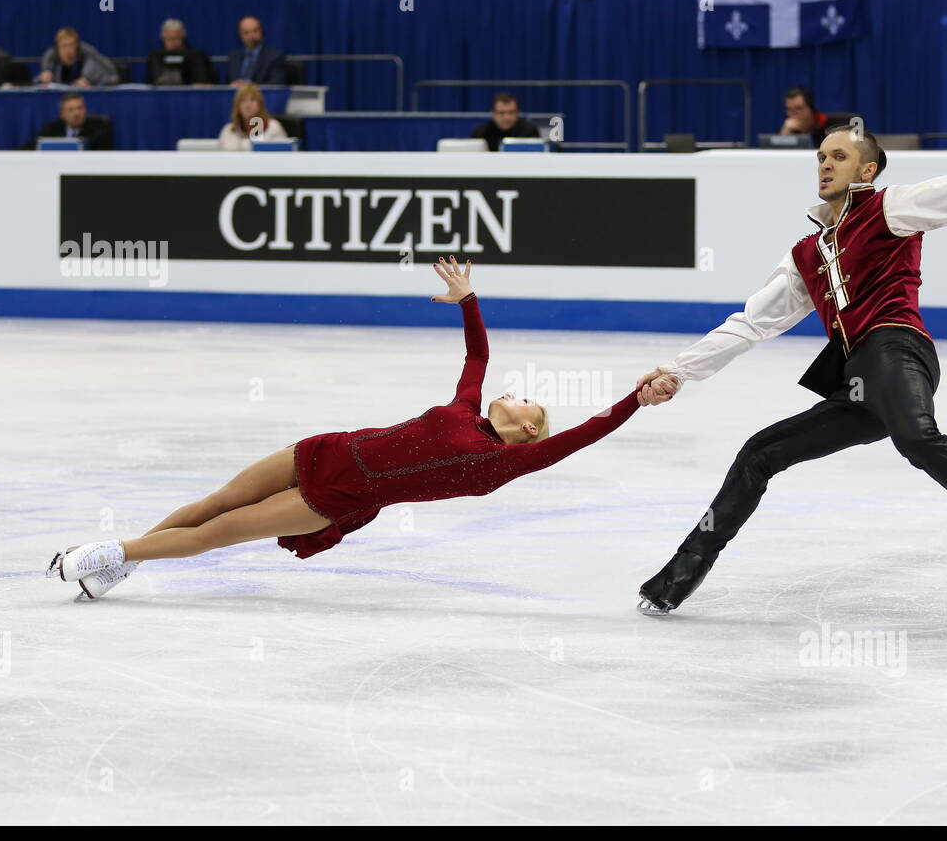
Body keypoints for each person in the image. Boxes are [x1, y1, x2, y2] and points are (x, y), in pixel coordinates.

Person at [634, 81, 947, 616]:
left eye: (839, 157)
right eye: (821, 156)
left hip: (898, 350)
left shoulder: (892, 208)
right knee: (759, 454)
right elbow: (752, 323)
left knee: (917, 440)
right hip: (860, 381)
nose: (825, 165)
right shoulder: (806, 252)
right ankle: (676, 578)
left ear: (867, 170)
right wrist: (678, 372)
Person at [45, 257, 652, 601]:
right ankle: (131, 560)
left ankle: (112, 551)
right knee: (217, 501)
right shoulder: (467, 409)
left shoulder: (499, 464)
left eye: (528, 400)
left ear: (527, 427)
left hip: (338, 496)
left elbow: (584, 434)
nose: (515, 393)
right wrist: (469, 300)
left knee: (221, 532)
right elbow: (477, 359)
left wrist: (635, 397)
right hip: (327, 449)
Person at [22, 92, 113, 150]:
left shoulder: (98, 129)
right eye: (71, 110)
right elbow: (31, 147)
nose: (76, 113)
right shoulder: (51, 129)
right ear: (62, 114)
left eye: (80, 108)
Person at [35, 28, 118, 87]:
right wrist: (42, 80)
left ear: (77, 46)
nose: (68, 50)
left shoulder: (88, 56)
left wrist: (90, 83)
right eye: (64, 46)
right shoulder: (50, 59)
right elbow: (35, 83)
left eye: (71, 45)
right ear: (57, 48)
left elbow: (111, 78)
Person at [218, 83, 289, 150]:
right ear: (237, 106)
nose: (248, 104)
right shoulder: (228, 130)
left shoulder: (273, 127)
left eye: (252, 99)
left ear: (260, 104)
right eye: (243, 100)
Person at [146, 19, 215, 86]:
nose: (173, 43)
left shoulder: (196, 56)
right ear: (163, 38)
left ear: (183, 37)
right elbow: (149, 83)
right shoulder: (155, 55)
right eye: (169, 39)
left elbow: (202, 83)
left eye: (176, 38)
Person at [227, 16, 287, 87]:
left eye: (255, 31)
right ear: (240, 36)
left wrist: (248, 86)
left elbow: (276, 85)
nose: (251, 35)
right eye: (246, 32)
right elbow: (228, 85)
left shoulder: (274, 56)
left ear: (262, 31)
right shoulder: (233, 57)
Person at [472, 92, 542, 151]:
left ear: (518, 113)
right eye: (501, 113)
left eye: (511, 112)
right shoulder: (481, 133)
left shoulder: (530, 131)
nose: (507, 117)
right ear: (493, 114)